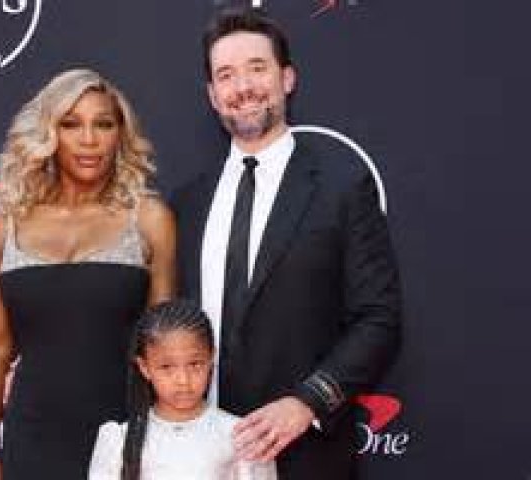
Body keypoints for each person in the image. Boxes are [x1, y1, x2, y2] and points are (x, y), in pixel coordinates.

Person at [171, 8, 403, 479]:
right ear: (213, 95)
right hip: (201, 457)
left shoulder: (341, 188)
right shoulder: (187, 204)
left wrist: (307, 402)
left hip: (306, 454)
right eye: (226, 75)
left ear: (288, 78)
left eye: (257, 68)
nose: (243, 87)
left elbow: (378, 319)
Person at [0, 69, 176, 479]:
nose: (89, 139)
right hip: (32, 441)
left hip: (125, 443)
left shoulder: (149, 220)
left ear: (120, 134)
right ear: (49, 133)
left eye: (104, 124)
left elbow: (166, 349)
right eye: (71, 124)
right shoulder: (2, 227)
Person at [88, 299, 277, 480]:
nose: (183, 380)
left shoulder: (240, 436)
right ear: (144, 367)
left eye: (195, 364)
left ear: (211, 358)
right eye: (167, 367)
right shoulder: (120, 439)